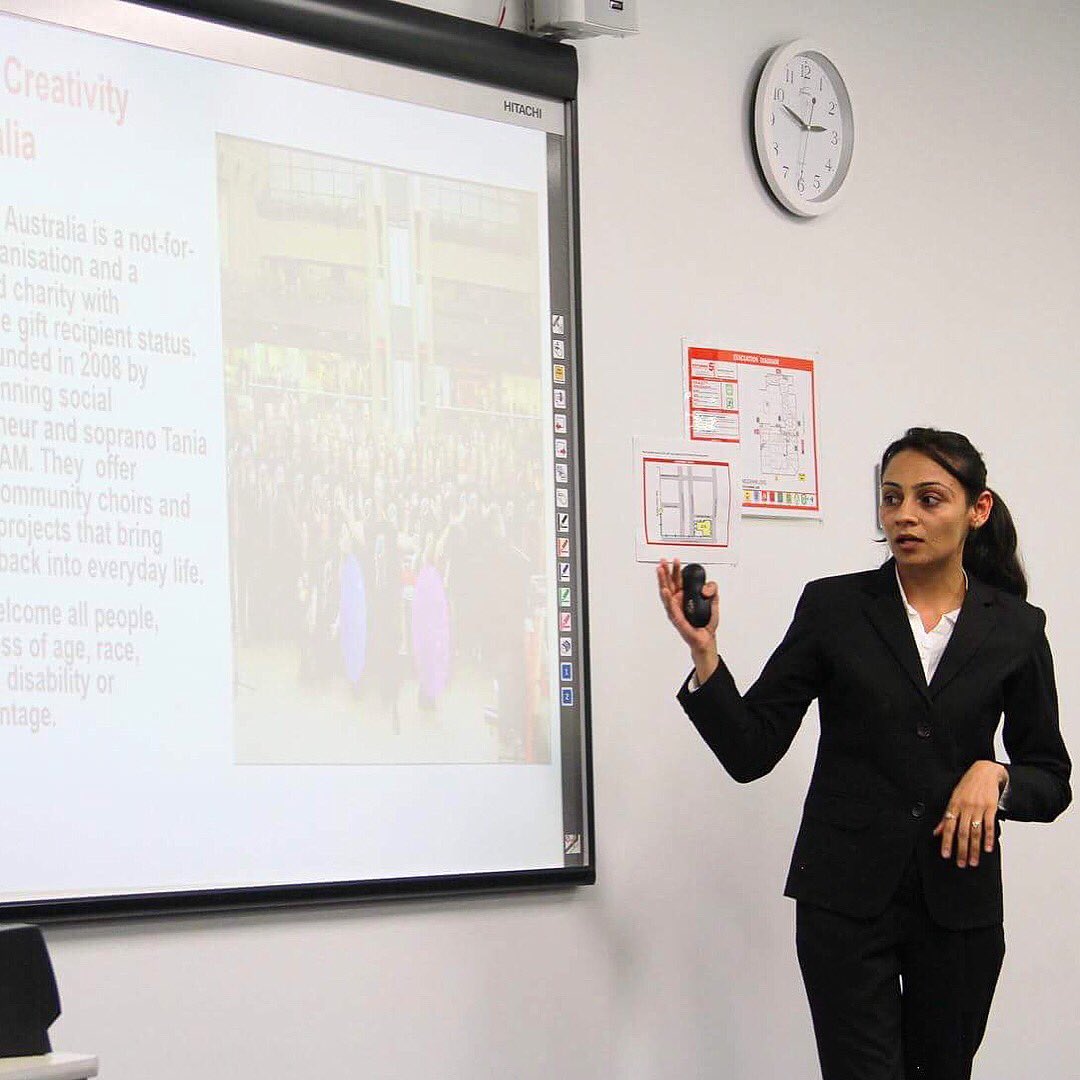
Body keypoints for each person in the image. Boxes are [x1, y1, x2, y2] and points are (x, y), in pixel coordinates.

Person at [656, 427, 1071, 1080]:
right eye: (891, 498)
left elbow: (1051, 779)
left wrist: (996, 775)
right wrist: (706, 657)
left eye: (929, 499)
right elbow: (751, 748)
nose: (904, 516)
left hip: (959, 904)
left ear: (977, 509)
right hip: (844, 902)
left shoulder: (1017, 627)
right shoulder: (835, 608)